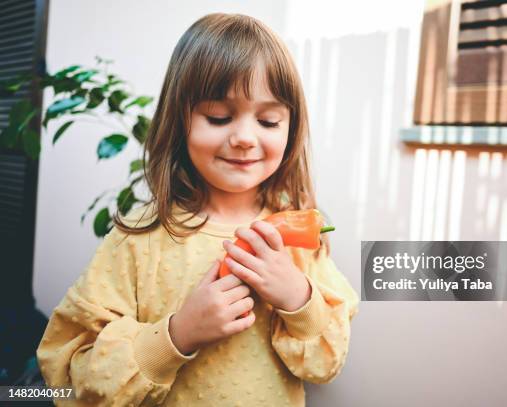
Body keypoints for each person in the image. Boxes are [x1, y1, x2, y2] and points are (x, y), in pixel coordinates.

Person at [36, 12, 359, 406]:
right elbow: (72, 375)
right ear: (179, 120)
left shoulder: (299, 235)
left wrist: (297, 297)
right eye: (219, 117)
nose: (243, 138)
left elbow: (325, 365)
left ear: (290, 129)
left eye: (269, 121)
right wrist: (177, 335)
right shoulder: (139, 237)